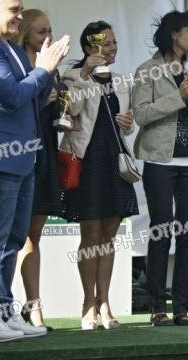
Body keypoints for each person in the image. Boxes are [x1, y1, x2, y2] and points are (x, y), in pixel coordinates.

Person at [0, 0, 69, 342]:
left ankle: (4, 311)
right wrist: (42, 70)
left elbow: (31, 99)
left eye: (21, 10)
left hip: (23, 157)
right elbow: (11, 96)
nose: (19, 16)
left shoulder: (8, 47)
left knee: (11, 240)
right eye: (13, 10)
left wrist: (46, 73)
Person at [132, 10, 188, 327]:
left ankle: (182, 308)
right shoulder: (147, 70)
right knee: (161, 232)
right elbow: (141, 114)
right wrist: (178, 97)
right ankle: (157, 308)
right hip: (159, 160)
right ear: (174, 34)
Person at [59, 21, 139, 330]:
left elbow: (127, 126)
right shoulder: (72, 76)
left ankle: (105, 302)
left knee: (109, 234)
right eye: (105, 43)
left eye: (114, 42)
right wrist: (84, 73)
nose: (111, 48)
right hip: (88, 160)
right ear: (88, 47)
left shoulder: (121, 81)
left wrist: (128, 123)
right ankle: (87, 303)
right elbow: (72, 111)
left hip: (115, 160)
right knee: (90, 235)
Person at [14, 9, 62, 330]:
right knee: (17, 237)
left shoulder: (52, 68)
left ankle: (33, 306)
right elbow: (16, 104)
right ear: (26, 34)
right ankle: (22, 307)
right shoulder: (18, 65)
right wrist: (43, 98)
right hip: (20, 154)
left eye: (50, 31)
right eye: (40, 31)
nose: (47, 37)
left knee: (34, 235)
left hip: (46, 153)